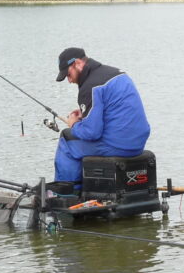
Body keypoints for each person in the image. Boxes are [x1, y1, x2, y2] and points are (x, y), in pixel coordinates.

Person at [54, 47, 150, 184]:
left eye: (68, 75)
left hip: (118, 145)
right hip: (138, 143)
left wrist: (74, 124)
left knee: (67, 140)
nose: (69, 81)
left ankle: (66, 194)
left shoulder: (90, 86)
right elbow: (116, 109)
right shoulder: (117, 73)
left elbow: (92, 133)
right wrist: (85, 114)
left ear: (78, 64)